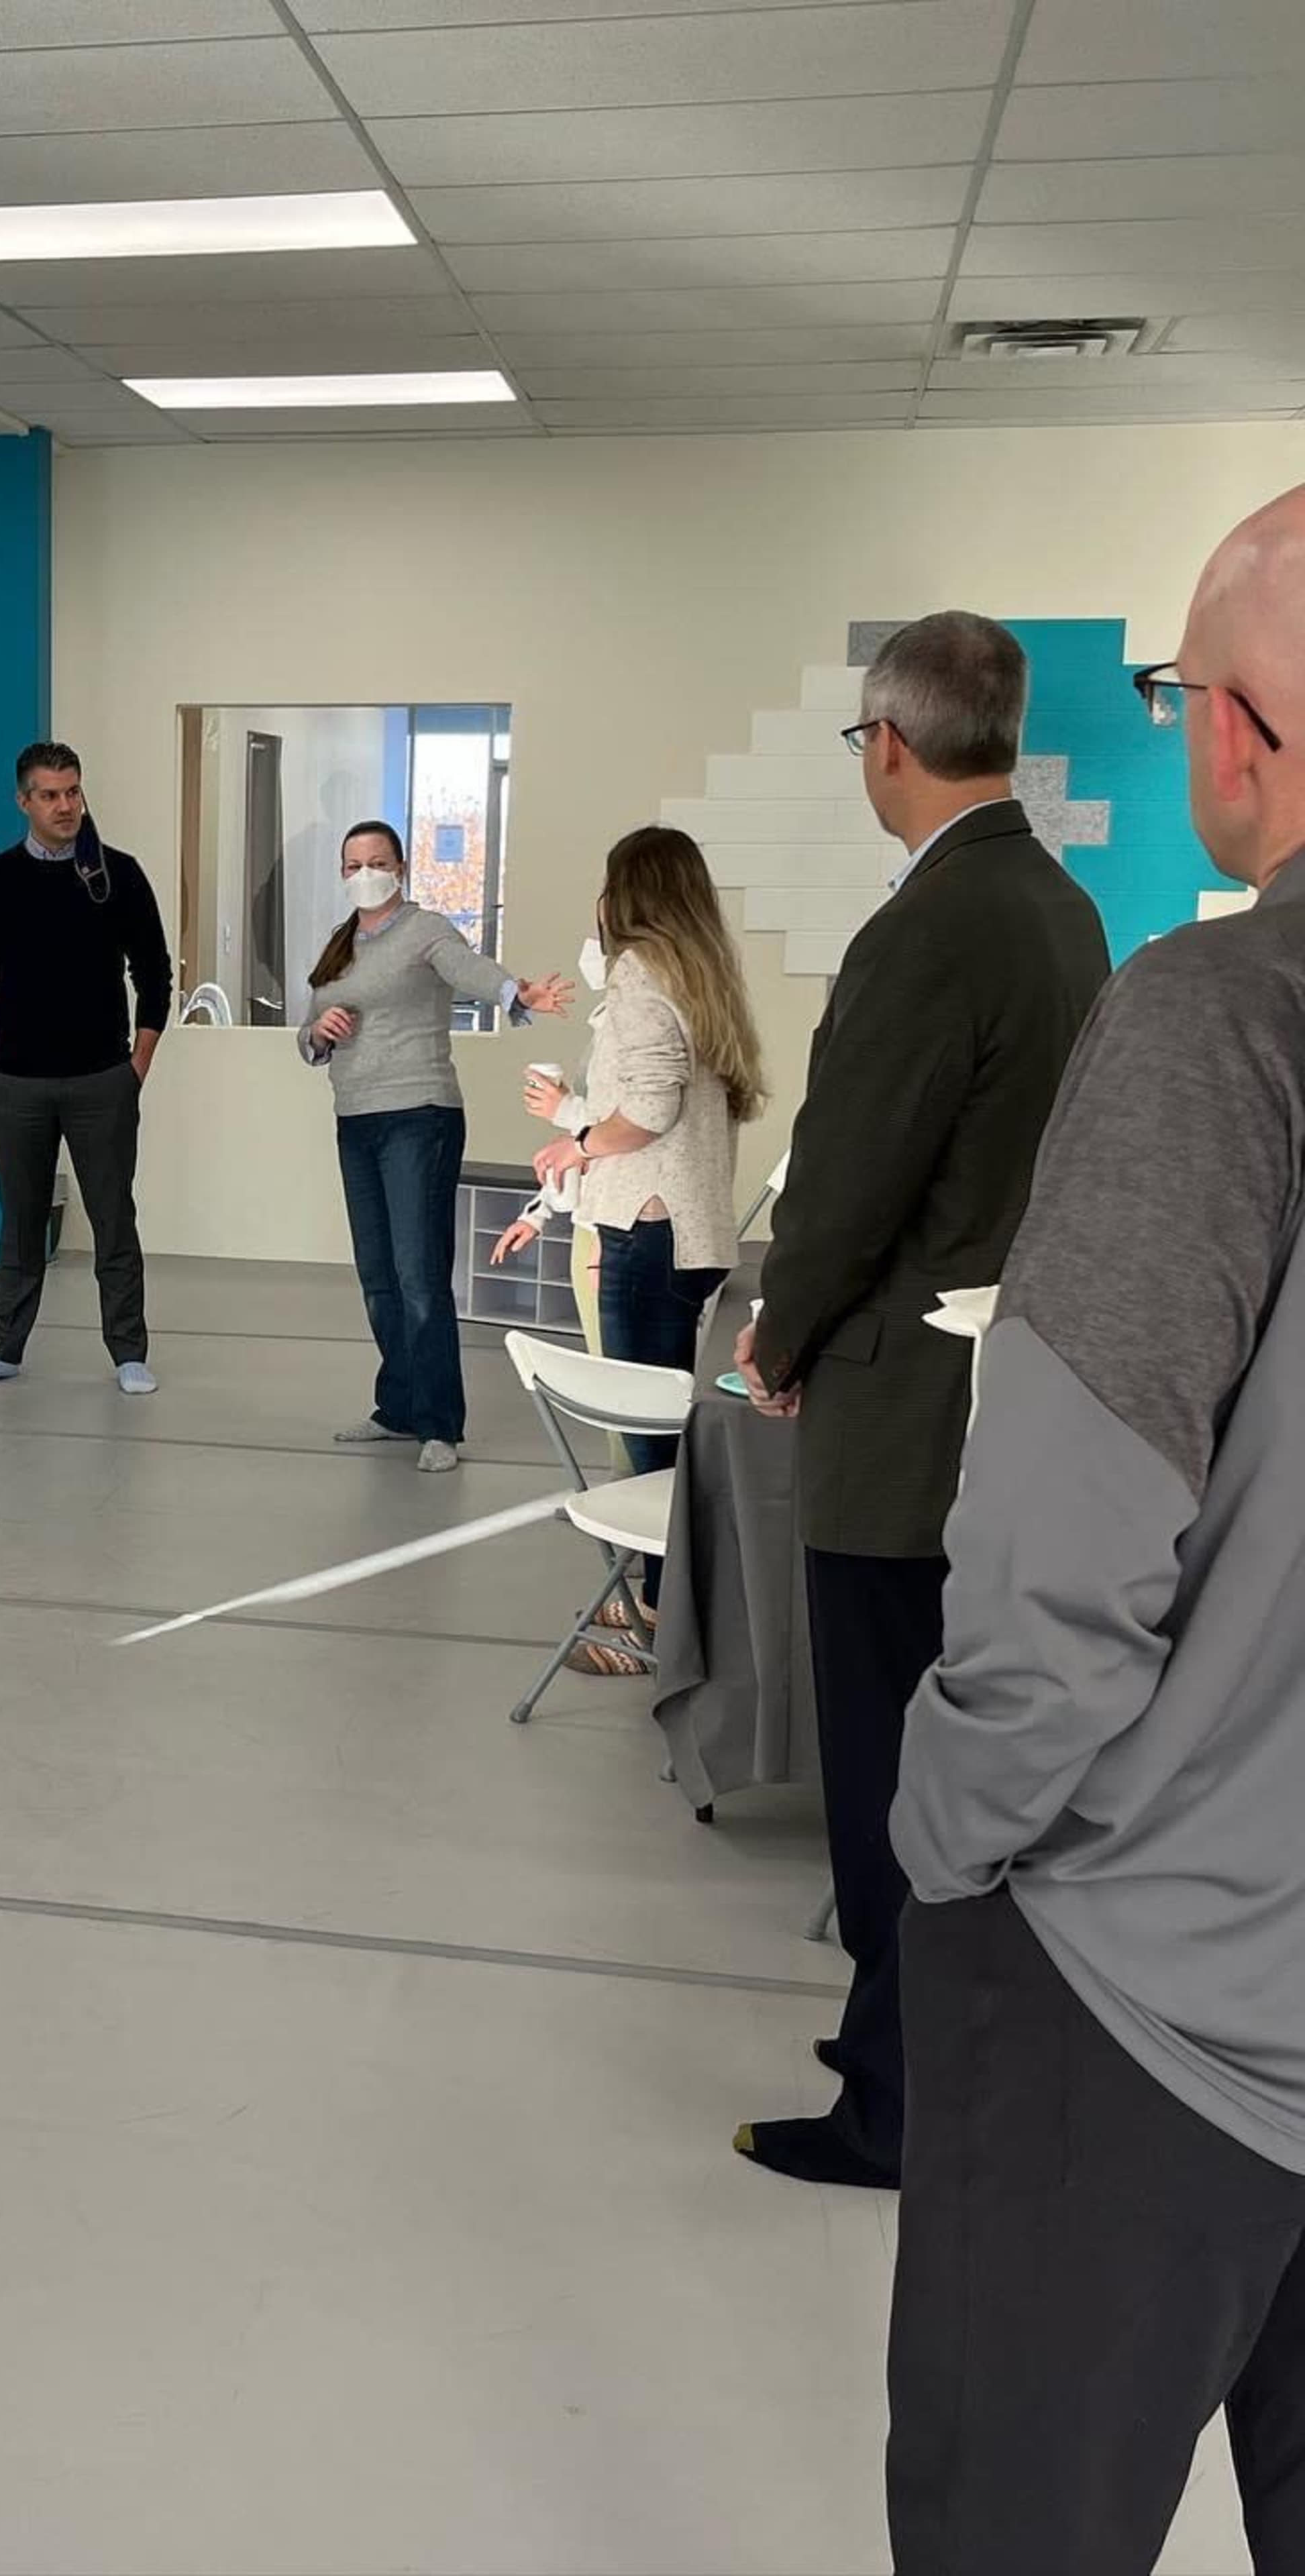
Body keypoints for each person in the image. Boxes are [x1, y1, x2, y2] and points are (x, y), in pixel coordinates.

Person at [884, 487, 1305, 2573]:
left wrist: (949, 1832)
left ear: (1230, 731)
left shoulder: (1218, 1021)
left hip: (1150, 1997)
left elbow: (1061, 1560)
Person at [730, 612, 1110, 2192]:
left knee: (887, 1764)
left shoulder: (930, 926)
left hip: (898, 1413)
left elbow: (846, 1182)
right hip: (1004, 1391)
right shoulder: (1060, 907)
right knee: (953, 1754)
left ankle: (897, 2100)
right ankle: (914, 2036)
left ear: (886, 743)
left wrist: (777, 1326)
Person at [525, 824, 764, 1639]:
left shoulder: (638, 973)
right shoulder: (701, 977)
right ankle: (671, 1603)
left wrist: (576, 1141)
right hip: (690, 1232)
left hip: (645, 1229)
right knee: (664, 1427)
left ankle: (660, 1618)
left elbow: (652, 1107)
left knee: (648, 1441)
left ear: (626, 895)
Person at [300, 820, 570, 1472]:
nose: (364, 872)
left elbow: (468, 969)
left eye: (377, 861)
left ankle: (439, 1424)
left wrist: (515, 992)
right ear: (343, 874)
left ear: (399, 869)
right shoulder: (340, 945)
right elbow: (309, 1035)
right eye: (353, 864)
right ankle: (398, 1408)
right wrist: (321, 1031)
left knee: (419, 1273)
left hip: (419, 1116)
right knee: (378, 1275)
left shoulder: (426, 931)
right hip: (356, 1119)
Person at [0, 743, 170, 1394]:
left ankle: (129, 1353)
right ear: (24, 801)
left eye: (73, 791)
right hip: (14, 1082)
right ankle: (4, 1349)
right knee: (20, 1220)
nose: (65, 805)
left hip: (103, 1079)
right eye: (50, 794)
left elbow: (154, 973)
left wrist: (138, 1065)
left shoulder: (118, 876)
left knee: (112, 1218)